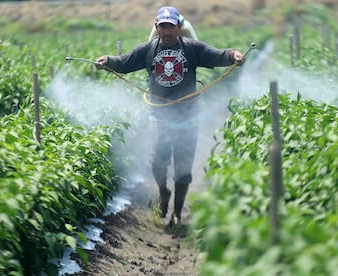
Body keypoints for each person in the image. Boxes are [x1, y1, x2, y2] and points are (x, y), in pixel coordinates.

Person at [96, 6, 244, 226]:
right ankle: (164, 192)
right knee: (158, 161)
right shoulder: (147, 50)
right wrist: (107, 60)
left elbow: (218, 56)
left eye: (171, 26)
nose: (167, 31)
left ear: (178, 27)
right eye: (162, 26)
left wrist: (233, 55)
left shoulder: (192, 49)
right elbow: (124, 63)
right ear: (156, 27)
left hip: (188, 116)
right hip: (159, 115)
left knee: (183, 169)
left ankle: (176, 212)